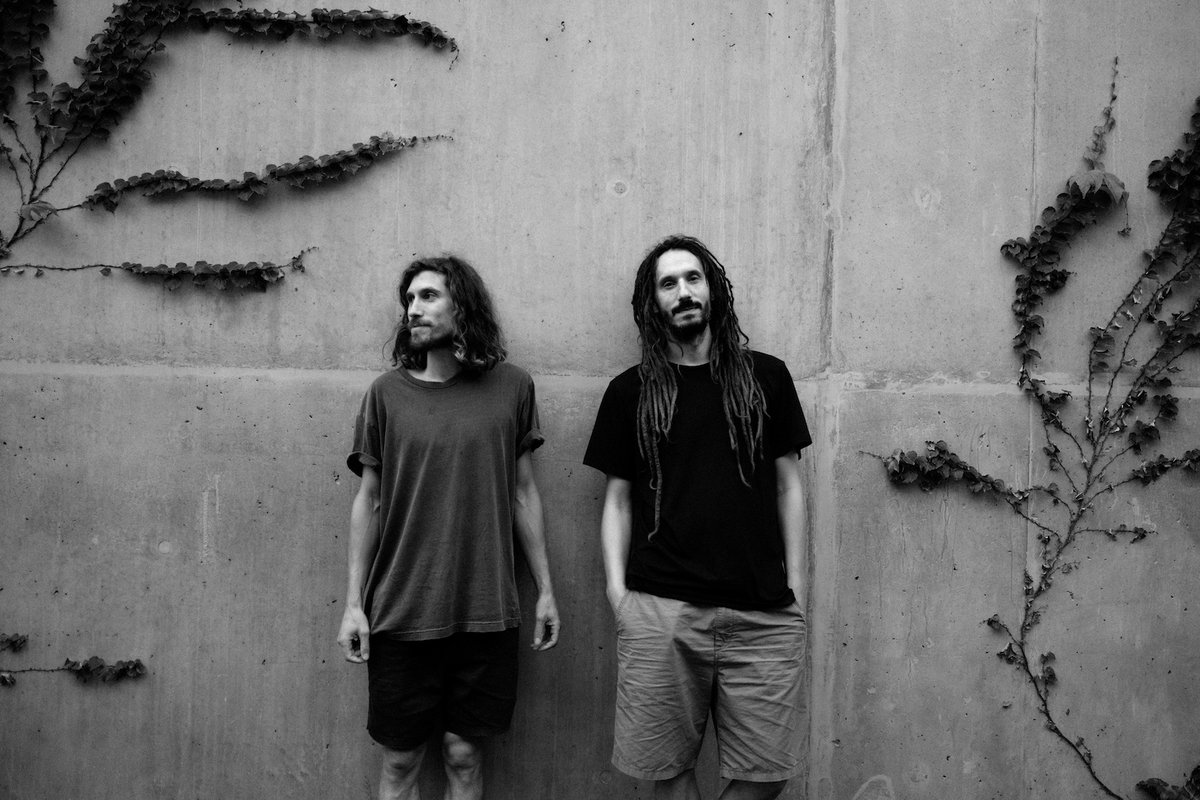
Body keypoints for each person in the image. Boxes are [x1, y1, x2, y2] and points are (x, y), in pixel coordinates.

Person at [583, 235, 812, 800]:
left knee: (767, 775)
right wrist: (618, 595)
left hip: (763, 611)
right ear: (652, 302)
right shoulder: (629, 392)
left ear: (713, 290)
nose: (683, 292)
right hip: (661, 610)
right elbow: (617, 501)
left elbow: (789, 487)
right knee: (665, 771)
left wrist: (798, 591)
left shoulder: (767, 378)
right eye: (668, 283)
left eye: (693, 278)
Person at [338, 254, 560, 800]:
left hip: (486, 612)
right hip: (401, 611)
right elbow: (369, 501)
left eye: (428, 296)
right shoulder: (386, 394)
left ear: (464, 304)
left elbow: (523, 493)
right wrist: (353, 604)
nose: (413, 309)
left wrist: (546, 591)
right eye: (409, 299)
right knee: (400, 763)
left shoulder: (513, 387)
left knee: (464, 756)